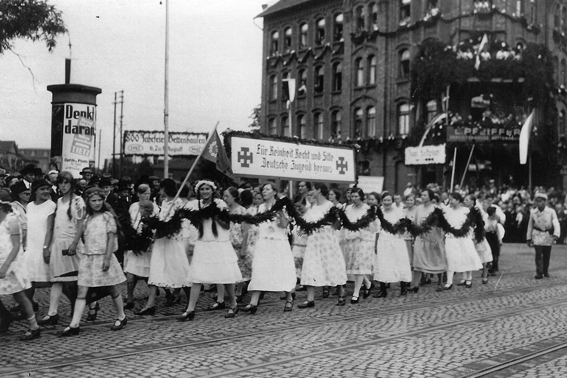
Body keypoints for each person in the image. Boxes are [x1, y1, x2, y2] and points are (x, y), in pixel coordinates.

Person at [59, 187, 127, 336]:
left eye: (99, 200)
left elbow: (110, 238)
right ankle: (74, 324)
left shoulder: (107, 216)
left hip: (103, 256)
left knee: (112, 288)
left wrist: (107, 258)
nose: (97, 203)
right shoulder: (86, 217)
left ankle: (121, 316)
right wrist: (74, 244)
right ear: (88, 202)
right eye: (93, 200)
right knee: (82, 291)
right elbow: (79, 233)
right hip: (88, 257)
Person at [178, 180, 242, 320]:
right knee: (197, 277)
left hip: (219, 244)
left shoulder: (220, 204)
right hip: (203, 243)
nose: (205, 191)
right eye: (202, 189)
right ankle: (190, 309)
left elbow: (226, 226)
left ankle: (233, 303)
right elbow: (188, 222)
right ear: (198, 191)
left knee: (225, 277)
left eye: (207, 189)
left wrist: (216, 215)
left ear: (212, 191)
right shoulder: (194, 205)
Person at [136, 179, 191, 315]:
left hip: (172, 242)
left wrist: (163, 228)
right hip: (161, 243)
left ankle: (191, 303)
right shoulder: (165, 203)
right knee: (156, 270)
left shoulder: (178, 203)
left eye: (161, 188)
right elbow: (161, 221)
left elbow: (176, 224)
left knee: (180, 270)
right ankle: (150, 304)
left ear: (165, 189)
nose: (160, 191)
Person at [38, 172, 85, 326]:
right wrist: (49, 246)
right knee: (57, 279)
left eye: (66, 182)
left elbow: (80, 225)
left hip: (72, 243)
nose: (63, 186)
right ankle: (52, 313)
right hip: (58, 244)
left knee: (80, 278)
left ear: (72, 184)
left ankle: (91, 305)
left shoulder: (78, 201)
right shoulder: (58, 201)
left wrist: (75, 243)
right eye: (61, 183)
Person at [243, 183, 296, 313]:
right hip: (264, 242)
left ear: (274, 192)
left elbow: (284, 225)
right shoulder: (260, 207)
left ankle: (289, 298)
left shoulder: (282, 206)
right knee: (260, 270)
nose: (264, 191)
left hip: (278, 242)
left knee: (282, 271)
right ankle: (253, 302)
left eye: (267, 189)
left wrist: (280, 212)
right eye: (263, 190)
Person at [298, 182, 348, 308]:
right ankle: (310, 299)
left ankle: (341, 291)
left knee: (332, 266)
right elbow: (307, 226)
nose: (311, 191)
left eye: (313, 189)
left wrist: (338, 216)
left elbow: (337, 227)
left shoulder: (330, 206)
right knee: (311, 266)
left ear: (319, 190)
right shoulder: (313, 208)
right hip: (314, 242)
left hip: (327, 242)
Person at [0, 192, 40, 340]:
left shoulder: (12, 220)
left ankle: (34, 327)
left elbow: (16, 246)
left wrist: (5, 266)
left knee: (19, 296)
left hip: (11, 263)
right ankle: (5, 316)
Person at [123, 184, 160, 309]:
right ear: (138, 194)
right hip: (133, 243)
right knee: (131, 271)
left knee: (147, 273)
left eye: (148, 193)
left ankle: (160, 294)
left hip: (146, 244)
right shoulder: (133, 206)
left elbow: (155, 224)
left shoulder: (154, 207)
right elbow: (129, 222)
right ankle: (129, 298)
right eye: (144, 193)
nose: (146, 196)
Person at [24, 179, 57, 310]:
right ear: (35, 191)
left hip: (44, 245)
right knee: (27, 278)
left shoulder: (51, 205)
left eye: (47, 189)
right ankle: (29, 306)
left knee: (55, 280)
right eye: (42, 189)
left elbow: (49, 229)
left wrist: (45, 248)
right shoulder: (29, 206)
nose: (45, 191)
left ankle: (77, 304)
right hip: (31, 246)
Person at [373, 192, 412, 297]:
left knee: (399, 262)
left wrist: (401, 227)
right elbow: (377, 230)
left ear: (392, 201)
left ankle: (403, 287)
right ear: (381, 201)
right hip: (383, 241)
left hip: (396, 241)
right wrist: (376, 244)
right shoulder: (379, 213)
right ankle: (383, 290)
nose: (386, 203)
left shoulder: (399, 212)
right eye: (384, 200)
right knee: (382, 263)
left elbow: (402, 229)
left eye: (389, 200)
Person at [442, 192, 482, 289]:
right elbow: (444, 225)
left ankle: (468, 279)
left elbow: (472, 224)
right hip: (451, 237)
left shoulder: (466, 210)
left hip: (463, 237)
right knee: (450, 258)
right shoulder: (447, 210)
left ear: (458, 200)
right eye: (449, 199)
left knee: (467, 256)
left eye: (452, 199)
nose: (450, 201)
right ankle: (449, 281)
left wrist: (471, 234)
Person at [409, 189, 447, 292]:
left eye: (425, 195)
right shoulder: (418, 209)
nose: (422, 196)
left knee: (437, 259)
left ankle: (440, 282)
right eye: (422, 195)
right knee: (417, 259)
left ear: (430, 197)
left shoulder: (436, 209)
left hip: (433, 238)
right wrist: (414, 236)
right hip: (421, 238)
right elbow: (416, 223)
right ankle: (415, 283)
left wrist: (440, 238)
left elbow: (442, 225)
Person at [342, 188, 374, 304]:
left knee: (360, 265)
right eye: (352, 196)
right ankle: (367, 283)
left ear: (361, 197)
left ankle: (356, 293)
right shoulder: (348, 209)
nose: (354, 199)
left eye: (356, 196)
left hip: (364, 239)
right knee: (355, 265)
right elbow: (345, 222)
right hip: (352, 238)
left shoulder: (367, 209)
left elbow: (373, 226)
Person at [526, 193, 560, 279]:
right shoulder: (533, 212)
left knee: (546, 254)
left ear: (545, 202)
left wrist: (556, 234)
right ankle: (539, 272)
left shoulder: (551, 212)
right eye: (537, 201)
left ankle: (545, 270)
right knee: (538, 254)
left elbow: (556, 223)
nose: (538, 203)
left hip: (547, 235)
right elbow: (530, 225)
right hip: (537, 235)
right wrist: (528, 238)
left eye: (540, 201)